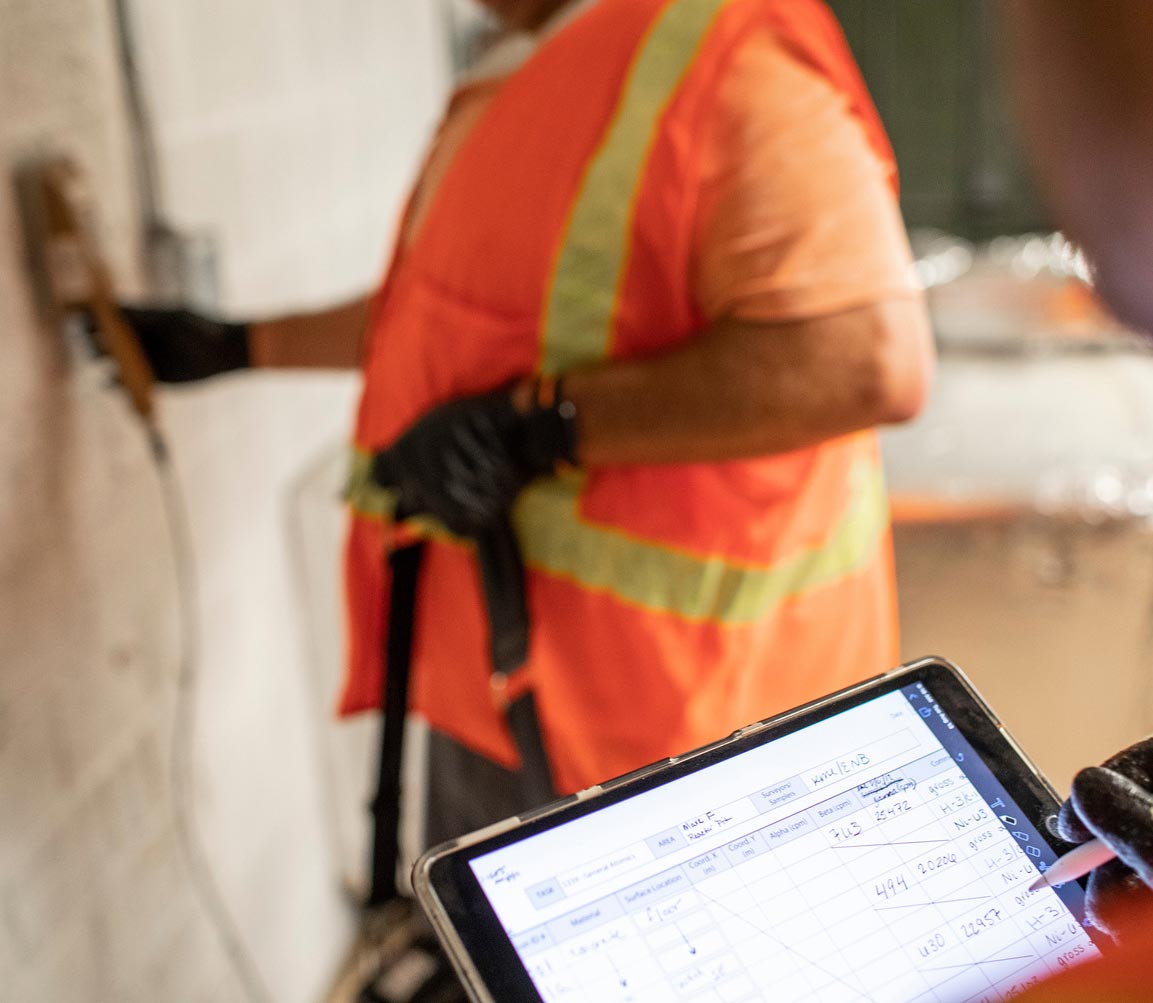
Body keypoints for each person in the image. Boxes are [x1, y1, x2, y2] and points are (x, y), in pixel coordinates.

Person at [121, 0, 933, 847]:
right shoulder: (525, 74)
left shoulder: (723, 55)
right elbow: (446, 321)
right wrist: (238, 346)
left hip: (680, 739)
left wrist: (537, 427)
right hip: (507, 687)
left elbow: (861, 359)